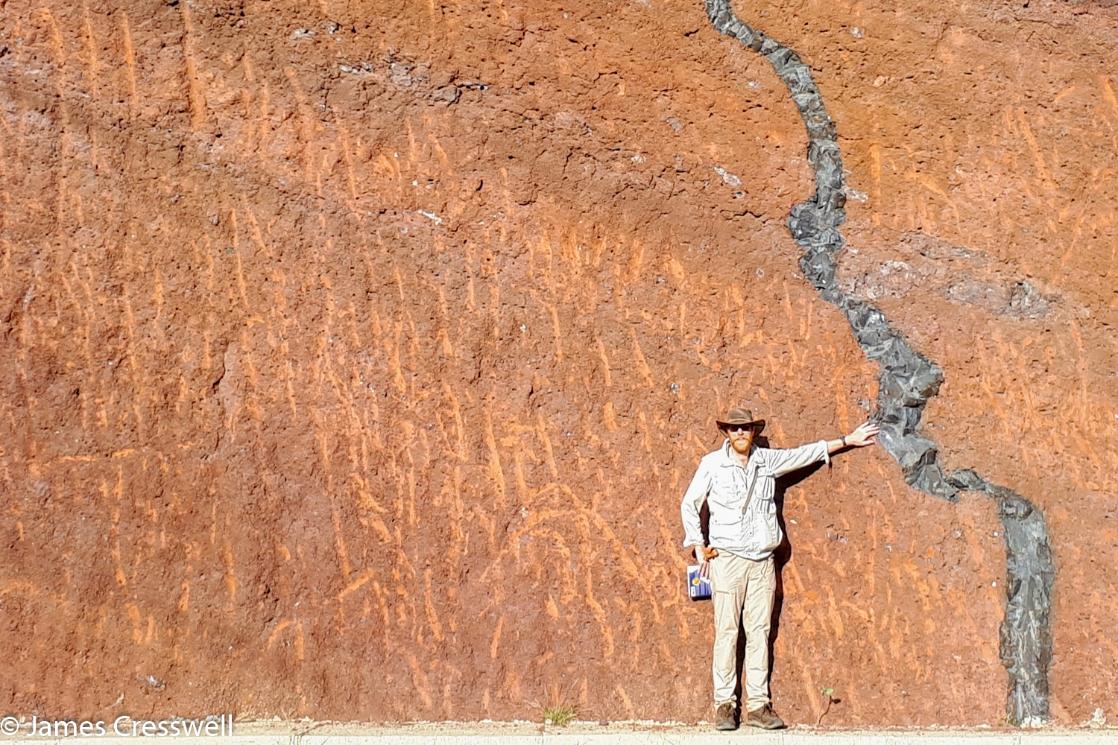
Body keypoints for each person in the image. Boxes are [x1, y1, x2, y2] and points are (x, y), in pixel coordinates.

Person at [680, 405, 879, 731]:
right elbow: (690, 503)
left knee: (759, 633)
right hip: (726, 560)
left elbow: (806, 453)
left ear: (754, 431)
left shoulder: (766, 461)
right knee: (727, 633)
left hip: (762, 561)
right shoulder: (712, 465)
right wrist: (697, 544)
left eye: (745, 428)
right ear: (725, 432)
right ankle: (725, 705)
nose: (740, 433)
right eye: (734, 428)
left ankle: (759, 706)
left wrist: (848, 440)